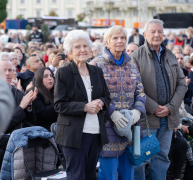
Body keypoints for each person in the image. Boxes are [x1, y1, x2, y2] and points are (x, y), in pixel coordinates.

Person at [131, 19, 187, 180]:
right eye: (153, 32)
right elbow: (135, 87)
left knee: (162, 158)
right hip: (145, 120)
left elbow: (182, 84)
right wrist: (154, 107)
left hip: (168, 119)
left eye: (160, 32)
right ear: (144, 35)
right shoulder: (136, 56)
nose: (157, 35)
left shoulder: (170, 55)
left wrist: (170, 107)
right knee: (140, 160)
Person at [90, 25, 146, 180]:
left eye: (122, 37)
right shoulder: (96, 64)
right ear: (107, 42)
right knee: (108, 174)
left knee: (128, 173)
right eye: (115, 38)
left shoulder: (132, 64)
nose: (119, 41)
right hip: (107, 126)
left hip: (131, 125)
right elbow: (92, 94)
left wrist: (137, 111)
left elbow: (140, 92)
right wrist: (111, 112)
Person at [54, 30, 111, 180]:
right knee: (76, 176)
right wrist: (85, 107)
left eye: (85, 46)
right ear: (70, 52)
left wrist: (101, 102)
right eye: (77, 47)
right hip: (73, 134)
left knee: (91, 175)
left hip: (96, 132)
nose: (82, 50)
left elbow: (107, 97)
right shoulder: (64, 72)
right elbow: (59, 104)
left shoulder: (97, 71)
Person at [0, 59, 37, 133]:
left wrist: (28, 105)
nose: (7, 73)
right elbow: (0, 126)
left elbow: (31, 122)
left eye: (10, 70)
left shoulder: (18, 93)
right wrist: (21, 107)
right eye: (3, 70)